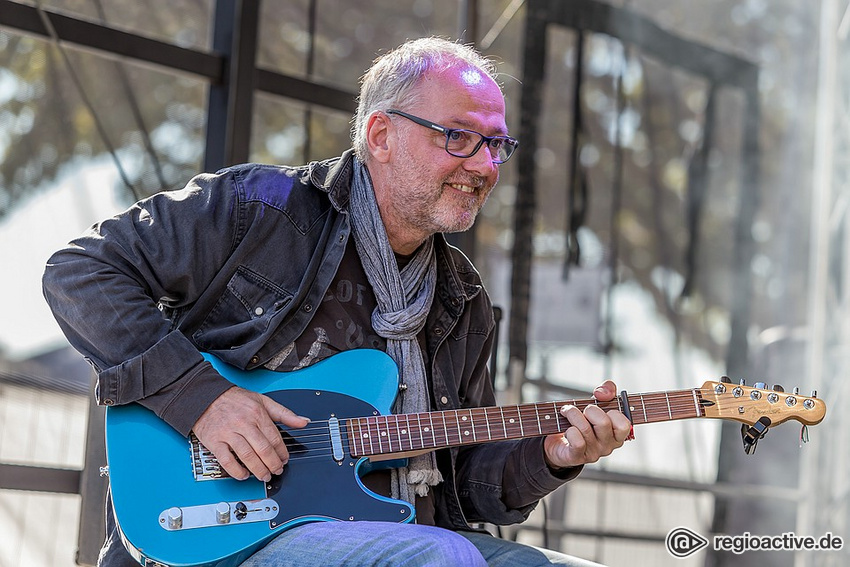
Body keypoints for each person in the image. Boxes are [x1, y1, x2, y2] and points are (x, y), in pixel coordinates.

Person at [43, 37, 632, 566]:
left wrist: (553, 455)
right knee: (442, 558)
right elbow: (80, 271)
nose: (483, 164)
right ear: (381, 136)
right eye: (459, 137)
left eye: (497, 144)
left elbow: (460, 484)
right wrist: (203, 399)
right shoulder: (262, 210)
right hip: (232, 530)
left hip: (401, 529)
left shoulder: (462, 298)